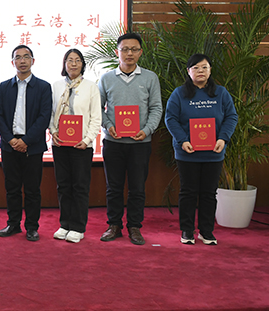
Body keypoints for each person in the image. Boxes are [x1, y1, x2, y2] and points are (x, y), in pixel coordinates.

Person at [165, 54, 237, 246]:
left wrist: (223, 138)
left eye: (204, 67)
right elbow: (170, 118)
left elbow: (231, 116)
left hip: (213, 152)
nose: (200, 71)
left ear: (210, 70)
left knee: (209, 193)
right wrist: (182, 140)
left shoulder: (221, 93)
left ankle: (206, 231)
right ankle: (187, 230)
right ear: (188, 71)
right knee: (188, 192)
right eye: (196, 68)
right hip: (187, 152)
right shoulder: (179, 94)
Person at [98, 32, 163, 245]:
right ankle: (114, 225)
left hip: (140, 143)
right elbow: (98, 108)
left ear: (140, 52)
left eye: (134, 49)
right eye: (125, 49)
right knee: (113, 187)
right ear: (117, 52)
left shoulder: (150, 78)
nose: (129, 53)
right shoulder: (106, 78)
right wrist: (109, 126)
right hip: (113, 142)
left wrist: (147, 130)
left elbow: (156, 108)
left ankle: (134, 227)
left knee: (137, 188)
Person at [0, 45, 52, 241]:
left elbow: (44, 117)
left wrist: (26, 140)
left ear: (33, 61)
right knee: (12, 188)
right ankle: (13, 224)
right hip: (9, 146)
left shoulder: (43, 87)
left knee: (32, 189)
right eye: (18, 57)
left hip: (32, 147)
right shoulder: (4, 87)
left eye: (26, 57)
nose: (22, 61)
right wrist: (11, 140)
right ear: (13, 62)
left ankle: (32, 227)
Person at [49, 49, 101, 243]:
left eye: (77, 60)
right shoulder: (56, 86)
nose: (73, 64)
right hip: (60, 144)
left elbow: (96, 117)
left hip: (82, 146)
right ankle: (65, 224)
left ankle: (78, 227)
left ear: (82, 64)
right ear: (64, 64)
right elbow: (50, 113)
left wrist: (87, 140)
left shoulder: (91, 87)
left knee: (80, 186)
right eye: (69, 60)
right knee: (63, 186)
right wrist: (53, 131)